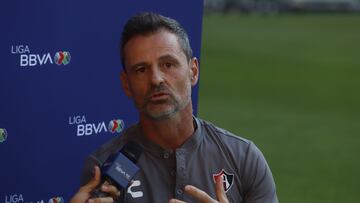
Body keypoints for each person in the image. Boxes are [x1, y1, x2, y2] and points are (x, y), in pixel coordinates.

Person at [70, 12, 278, 203]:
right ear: (127, 84)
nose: (156, 79)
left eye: (167, 64)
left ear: (193, 71)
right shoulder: (103, 168)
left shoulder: (244, 158)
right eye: (141, 69)